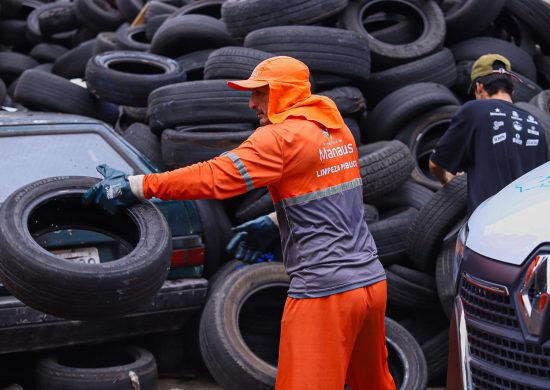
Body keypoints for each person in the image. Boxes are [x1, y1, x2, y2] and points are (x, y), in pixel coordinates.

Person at [83, 55, 395, 390]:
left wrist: (137, 186)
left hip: (324, 293)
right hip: (370, 284)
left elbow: (214, 177)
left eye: (260, 93)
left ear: (283, 93)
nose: (252, 103)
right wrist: (276, 222)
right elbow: (330, 195)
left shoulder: (280, 139)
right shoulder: (335, 130)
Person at [429, 53, 548, 215]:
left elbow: (435, 164)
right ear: (511, 89)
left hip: (491, 227)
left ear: (479, 87)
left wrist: (447, 179)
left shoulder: (474, 111)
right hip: (529, 228)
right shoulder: (536, 124)